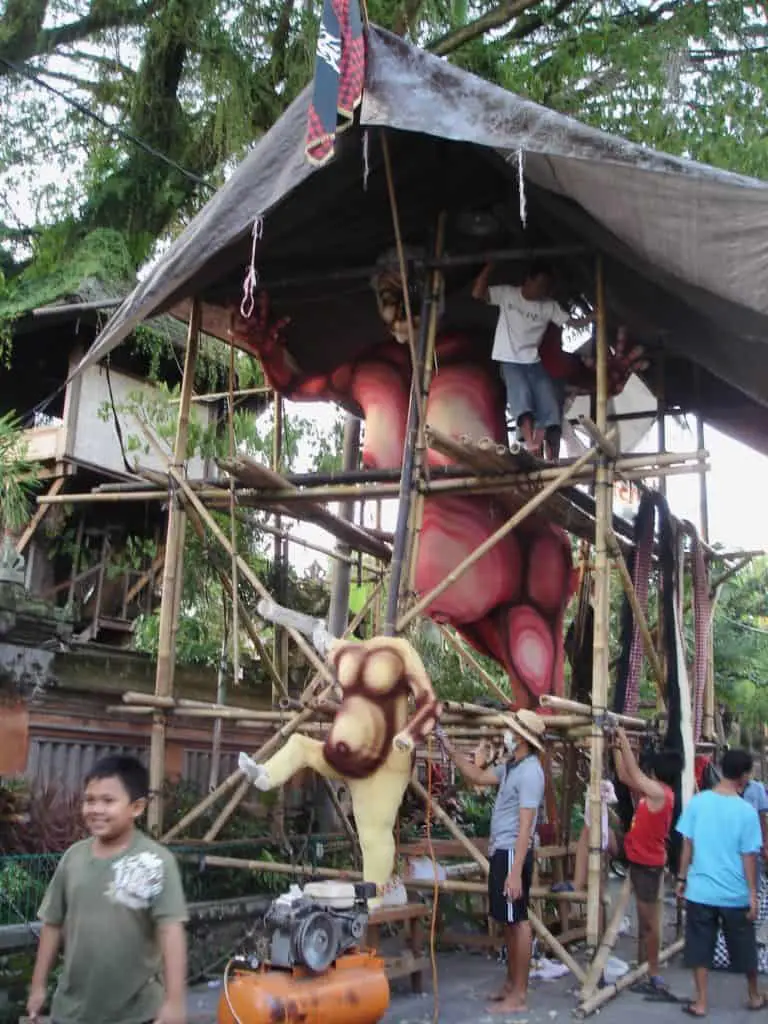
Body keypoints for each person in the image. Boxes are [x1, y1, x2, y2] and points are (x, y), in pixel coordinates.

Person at [27, 755, 189, 1024]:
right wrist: (37, 986)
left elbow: (171, 930)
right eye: (90, 800)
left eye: (108, 801)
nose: (96, 809)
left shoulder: (156, 862)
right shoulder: (73, 858)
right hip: (71, 1012)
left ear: (136, 808)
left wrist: (175, 1003)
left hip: (136, 1014)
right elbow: (52, 923)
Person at [553, 728, 682, 997]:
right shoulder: (657, 791)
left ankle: (654, 973)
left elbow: (633, 775)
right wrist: (613, 746)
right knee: (592, 829)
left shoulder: (662, 794)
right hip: (632, 849)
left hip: (647, 864)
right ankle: (578, 882)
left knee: (648, 923)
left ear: (659, 773)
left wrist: (622, 738)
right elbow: (625, 776)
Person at [436, 709, 546, 1015]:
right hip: (502, 851)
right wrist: (446, 744)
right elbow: (478, 776)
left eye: (512, 731)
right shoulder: (512, 766)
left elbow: (527, 826)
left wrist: (514, 872)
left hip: (513, 851)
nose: (507, 736)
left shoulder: (531, 773)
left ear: (523, 738)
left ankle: (520, 994)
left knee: (517, 921)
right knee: (507, 921)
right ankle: (511, 984)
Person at [676, 748, 765, 1017]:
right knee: (744, 946)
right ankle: (753, 994)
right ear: (745, 776)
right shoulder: (746, 812)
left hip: (700, 890)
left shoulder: (699, 802)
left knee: (700, 945)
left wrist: (681, 878)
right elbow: (749, 857)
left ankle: (701, 1001)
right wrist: (753, 894)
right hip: (734, 893)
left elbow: (687, 845)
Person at [473, 260, 592, 461]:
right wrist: (489, 266)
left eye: (546, 287)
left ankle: (537, 446)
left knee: (548, 401)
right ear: (528, 280)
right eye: (539, 285)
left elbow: (572, 322)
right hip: (509, 358)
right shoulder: (508, 294)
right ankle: (530, 442)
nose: (542, 291)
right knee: (521, 396)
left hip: (532, 360)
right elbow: (477, 294)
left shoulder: (549, 306)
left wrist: (592, 317)